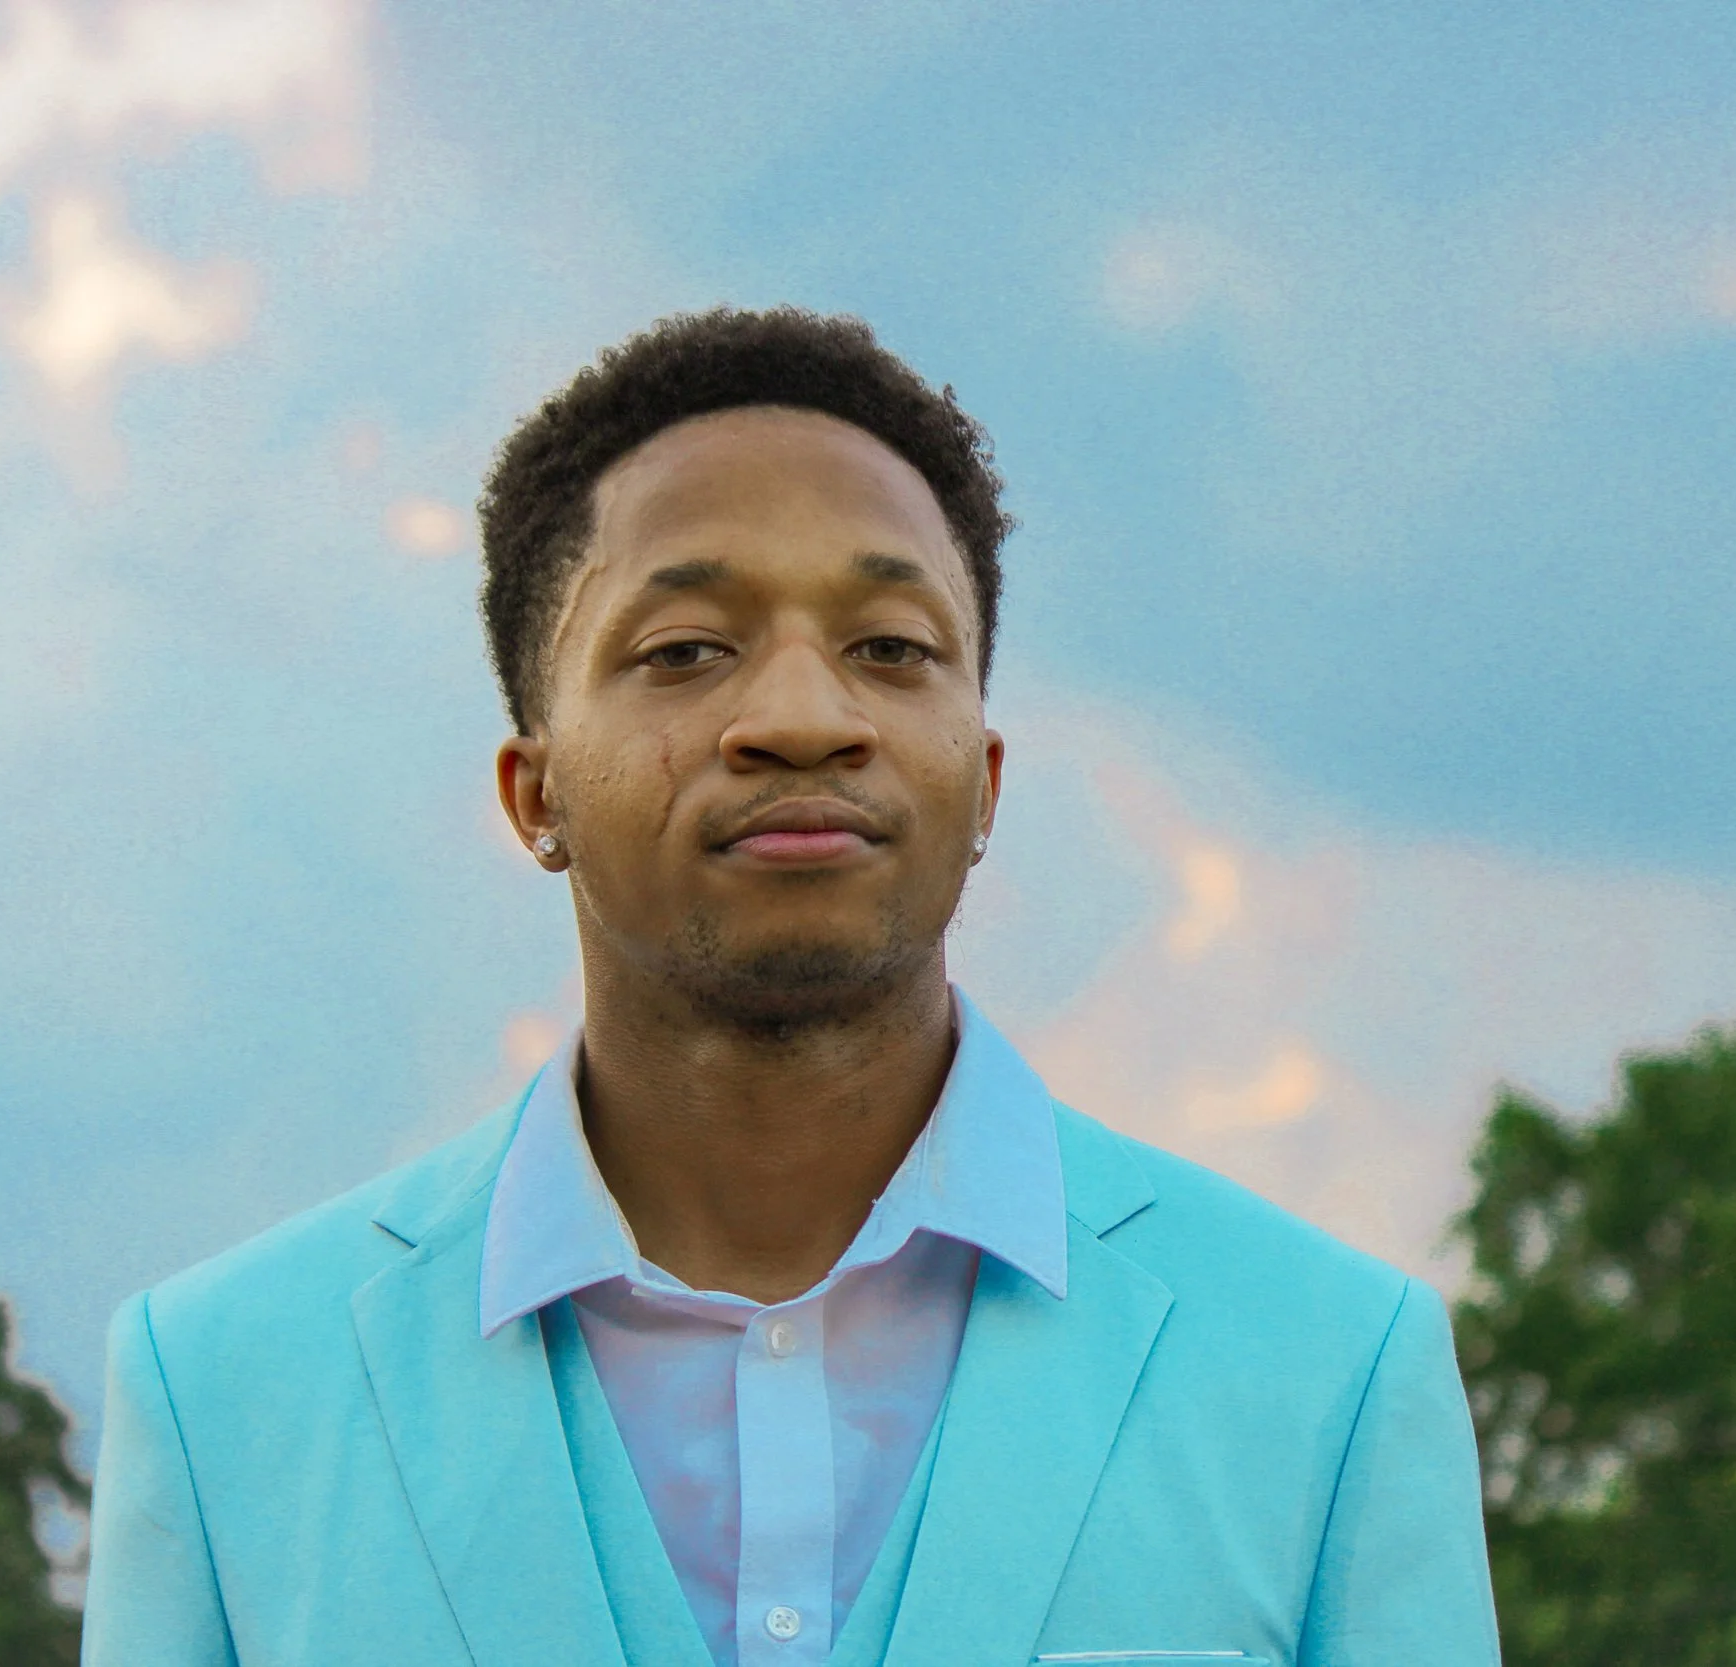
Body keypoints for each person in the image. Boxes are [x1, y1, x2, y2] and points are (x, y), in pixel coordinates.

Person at [80, 308, 1500, 1667]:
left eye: (891, 648)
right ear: (535, 790)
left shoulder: (1329, 1372)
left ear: (985, 776)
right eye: (685, 651)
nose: (805, 718)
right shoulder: (224, 1398)